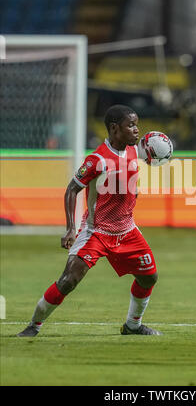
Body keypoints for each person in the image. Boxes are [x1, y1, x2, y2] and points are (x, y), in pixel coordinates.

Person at [18, 105, 162, 337]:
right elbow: (71, 190)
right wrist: (70, 229)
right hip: (96, 232)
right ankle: (33, 326)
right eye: (131, 125)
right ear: (115, 129)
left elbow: (152, 157)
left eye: (137, 125)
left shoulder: (136, 151)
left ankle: (132, 326)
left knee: (149, 277)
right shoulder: (97, 160)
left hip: (127, 230)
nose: (137, 130)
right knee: (68, 280)